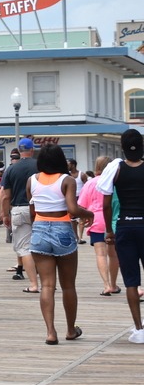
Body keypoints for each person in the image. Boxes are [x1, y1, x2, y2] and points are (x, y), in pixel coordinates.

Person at [27, 143, 93, 345]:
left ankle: (50, 332)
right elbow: (72, 208)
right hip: (62, 229)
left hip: (39, 230)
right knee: (68, 286)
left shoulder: (31, 180)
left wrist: (38, 228)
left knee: (47, 285)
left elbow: (32, 210)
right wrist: (88, 214)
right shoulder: (67, 180)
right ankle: (71, 330)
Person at [99, 128, 144, 343]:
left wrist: (109, 230)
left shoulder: (115, 169)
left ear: (123, 149)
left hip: (125, 226)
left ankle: (139, 328)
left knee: (131, 282)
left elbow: (106, 204)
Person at [0, 138, 40, 292]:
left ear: (19, 151)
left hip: (19, 209)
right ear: (32, 150)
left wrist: (5, 215)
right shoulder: (39, 167)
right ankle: (49, 281)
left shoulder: (11, 169)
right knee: (42, 246)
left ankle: (34, 284)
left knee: (25, 248)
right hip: (39, 209)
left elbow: (6, 196)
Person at [79, 156, 120, 296]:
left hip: (96, 220)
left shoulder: (90, 184)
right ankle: (114, 285)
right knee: (113, 255)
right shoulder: (115, 182)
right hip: (113, 220)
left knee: (100, 255)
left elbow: (81, 205)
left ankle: (106, 285)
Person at [68, 158, 89, 244]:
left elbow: (87, 186)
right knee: (72, 219)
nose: (67, 165)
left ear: (73, 165)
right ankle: (76, 237)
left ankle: (80, 237)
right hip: (71, 197)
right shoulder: (67, 175)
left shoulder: (82, 175)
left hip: (81, 198)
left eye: (68, 164)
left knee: (82, 218)